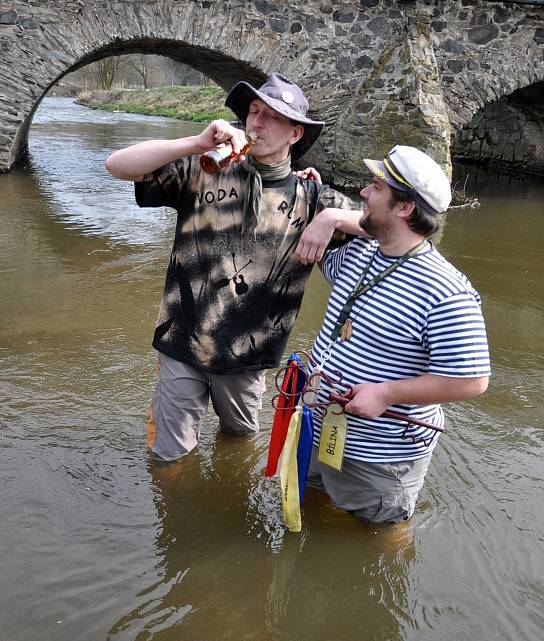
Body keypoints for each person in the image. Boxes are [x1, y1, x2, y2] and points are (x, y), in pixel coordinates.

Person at [105, 73, 358, 461]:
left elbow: (394, 226)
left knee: (239, 443)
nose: (257, 122)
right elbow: (117, 165)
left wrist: (334, 220)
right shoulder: (203, 170)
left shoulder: (313, 196)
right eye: (254, 111)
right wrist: (195, 142)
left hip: (249, 354)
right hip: (182, 341)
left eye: (272, 116)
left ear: (295, 134)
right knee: (168, 458)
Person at [294, 145, 490, 524]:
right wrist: (322, 211)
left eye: (375, 187)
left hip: (380, 455)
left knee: (381, 539)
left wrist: (387, 393)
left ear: (405, 208)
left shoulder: (446, 291)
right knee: (315, 512)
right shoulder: (359, 253)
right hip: (318, 427)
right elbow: (311, 246)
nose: (363, 194)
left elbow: (473, 380)